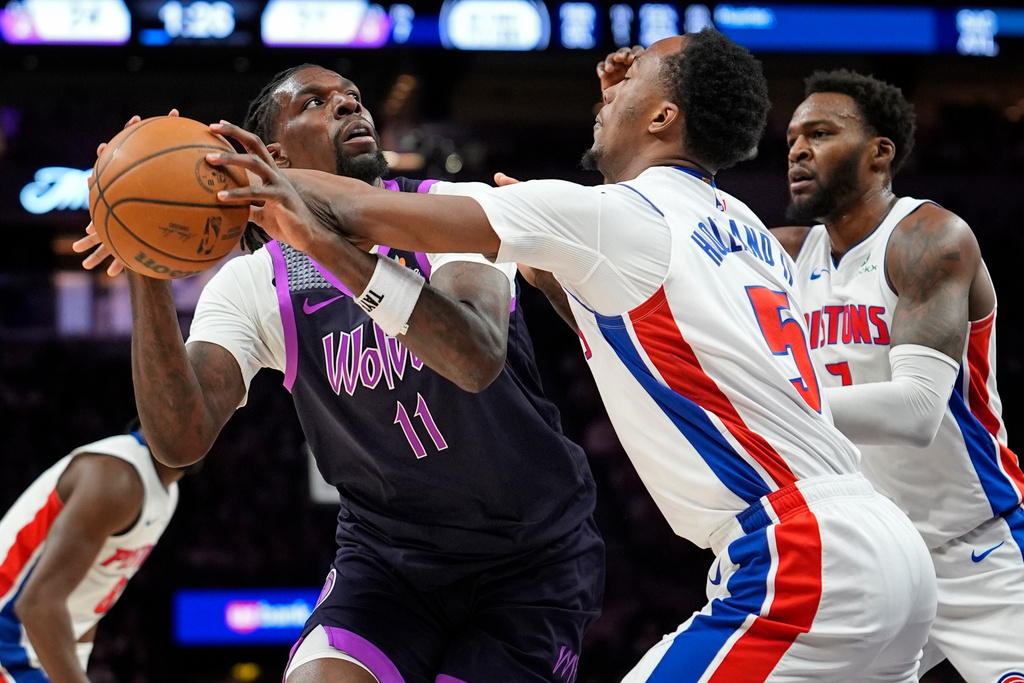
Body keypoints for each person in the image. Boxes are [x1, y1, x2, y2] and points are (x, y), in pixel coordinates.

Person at [209, 30, 938, 683]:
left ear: (663, 117)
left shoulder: (604, 217)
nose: (610, 83)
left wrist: (249, 172)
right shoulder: (740, 225)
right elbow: (635, 315)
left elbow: (362, 208)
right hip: (889, 546)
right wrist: (623, 125)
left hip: (799, 554)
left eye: (632, 78)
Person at [76, 64, 603, 683]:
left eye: (351, 96)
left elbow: (475, 359)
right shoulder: (254, 285)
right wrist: (146, 264)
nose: (349, 105)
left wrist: (323, 245)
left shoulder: (450, 211)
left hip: (530, 555)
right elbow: (178, 438)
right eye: (315, 102)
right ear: (273, 157)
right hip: (389, 560)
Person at [771, 69, 1024, 683]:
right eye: (792, 138)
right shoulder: (782, 255)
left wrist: (771, 407)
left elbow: (915, 411)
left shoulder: (928, 238)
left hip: (976, 546)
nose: (798, 150)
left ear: (879, 152)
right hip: (874, 560)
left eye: (820, 134)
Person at [0, 421, 183, 683]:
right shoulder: (115, 476)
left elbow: (88, 599)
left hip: (25, 643)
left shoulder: (167, 493)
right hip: (7, 638)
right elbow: (37, 605)